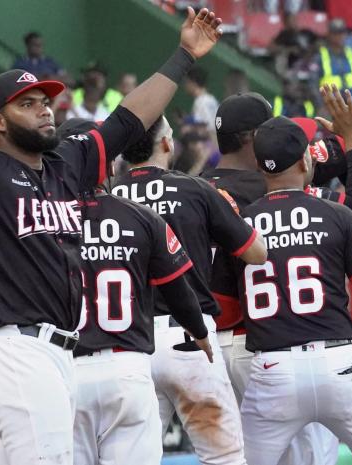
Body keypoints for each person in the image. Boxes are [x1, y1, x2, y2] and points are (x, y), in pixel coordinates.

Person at [0, 3, 222, 463]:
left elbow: (129, 118)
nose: (44, 110)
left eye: (46, 102)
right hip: (15, 350)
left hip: (55, 354)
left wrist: (185, 53)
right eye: (27, 105)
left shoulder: (69, 163)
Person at [233, 112, 352, 465]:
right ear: (307, 159)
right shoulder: (336, 214)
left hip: (272, 368)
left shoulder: (240, 223)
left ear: (261, 168)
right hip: (338, 362)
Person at [110, 115, 266, 465]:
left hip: (126, 345)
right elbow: (256, 254)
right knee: (225, 458)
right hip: (191, 341)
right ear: (167, 144)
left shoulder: (107, 196)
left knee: (131, 459)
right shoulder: (195, 189)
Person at [68, 120, 213, 465]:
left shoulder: (46, 220)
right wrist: (200, 330)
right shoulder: (139, 215)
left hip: (67, 366)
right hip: (127, 365)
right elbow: (177, 285)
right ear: (107, 160)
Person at [318, 18, 352, 102]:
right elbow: (314, 82)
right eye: (335, 33)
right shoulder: (321, 55)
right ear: (329, 34)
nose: (339, 36)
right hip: (331, 105)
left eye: (341, 33)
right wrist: (320, 105)